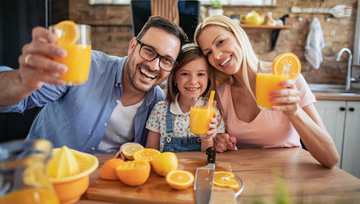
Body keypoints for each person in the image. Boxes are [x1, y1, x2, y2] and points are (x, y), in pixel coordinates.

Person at [0, 16, 187, 155]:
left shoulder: (159, 103)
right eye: (149, 51)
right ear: (132, 46)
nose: (154, 66)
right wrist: (22, 81)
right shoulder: (83, 67)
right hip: (42, 177)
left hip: (104, 184)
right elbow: (9, 98)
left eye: (167, 61)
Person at [194, 15, 339, 168]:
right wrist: (221, 141)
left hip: (290, 177)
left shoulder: (286, 78)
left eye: (221, 42)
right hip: (252, 176)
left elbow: (330, 158)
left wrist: (295, 112)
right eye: (208, 53)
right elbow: (225, 145)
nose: (216, 56)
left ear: (238, 36)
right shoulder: (221, 92)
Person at [144, 43, 225, 152]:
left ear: (209, 78)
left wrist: (208, 139)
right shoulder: (160, 111)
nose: (193, 81)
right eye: (185, 74)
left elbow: (210, 158)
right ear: (174, 77)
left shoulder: (214, 113)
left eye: (201, 74)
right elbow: (150, 152)